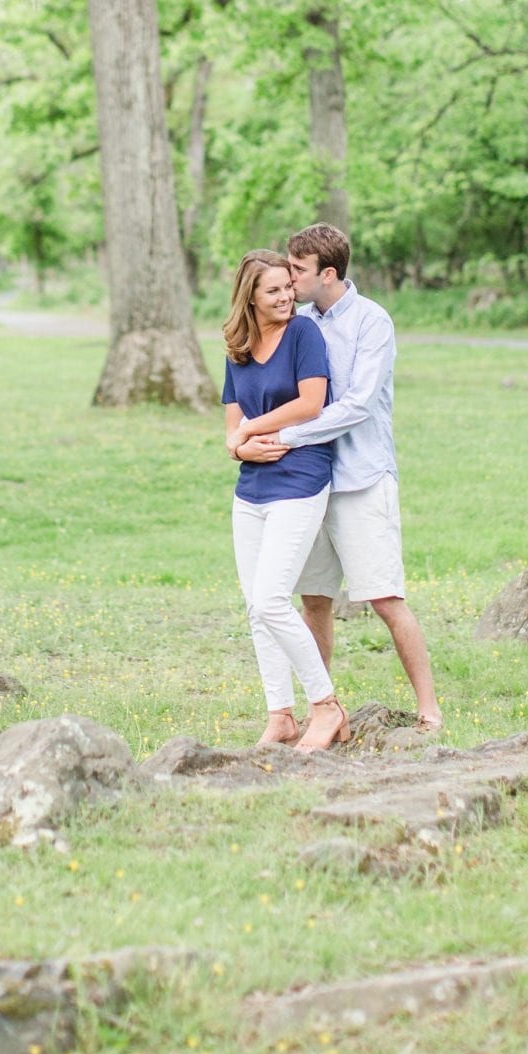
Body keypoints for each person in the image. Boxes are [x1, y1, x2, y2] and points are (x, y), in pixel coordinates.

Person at [230, 223, 442, 732]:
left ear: (327, 274)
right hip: (306, 484)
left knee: (386, 597)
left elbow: (356, 405)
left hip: (361, 476)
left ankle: (430, 710)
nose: (289, 279)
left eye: (297, 271)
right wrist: (247, 440)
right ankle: (318, 709)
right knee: (315, 601)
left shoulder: (373, 322)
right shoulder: (298, 321)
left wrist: (284, 438)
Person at [221, 250, 350, 753]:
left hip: (300, 480)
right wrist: (239, 444)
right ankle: (281, 715)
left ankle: (326, 705)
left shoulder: (303, 334)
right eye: (273, 290)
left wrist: (251, 428)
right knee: (256, 608)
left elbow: (311, 403)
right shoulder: (237, 347)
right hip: (251, 487)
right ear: (249, 296)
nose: (286, 296)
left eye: (287, 286)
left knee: (273, 599)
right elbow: (231, 427)